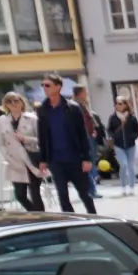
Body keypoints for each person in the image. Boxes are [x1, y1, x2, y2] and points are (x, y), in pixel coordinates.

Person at [35, 73, 96, 214]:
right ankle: (69, 224)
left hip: (75, 159)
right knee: (63, 195)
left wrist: (86, 158)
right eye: (43, 85)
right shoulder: (43, 110)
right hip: (55, 161)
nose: (44, 88)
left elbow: (82, 134)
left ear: (58, 87)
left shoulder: (73, 108)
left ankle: (95, 219)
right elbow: (42, 136)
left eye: (48, 85)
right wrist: (43, 159)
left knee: (85, 194)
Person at [0, 91, 45, 212]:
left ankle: (42, 219)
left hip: (31, 159)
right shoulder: (2, 120)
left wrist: (25, 138)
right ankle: (35, 214)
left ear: (21, 103)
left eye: (16, 101)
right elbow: (0, 142)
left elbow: (43, 140)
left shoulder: (32, 118)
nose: (13, 104)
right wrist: (7, 157)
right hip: (14, 161)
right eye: (9, 101)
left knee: (35, 193)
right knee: (20, 195)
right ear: (6, 105)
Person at [106, 96, 138, 197]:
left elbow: (137, 130)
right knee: (124, 165)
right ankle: (123, 186)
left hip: (130, 145)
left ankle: (131, 187)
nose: (117, 105)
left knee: (130, 166)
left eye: (120, 103)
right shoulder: (113, 117)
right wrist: (113, 136)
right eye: (116, 104)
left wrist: (134, 136)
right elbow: (109, 130)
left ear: (126, 105)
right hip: (119, 145)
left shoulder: (131, 117)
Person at [73, 85, 103, 199]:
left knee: (91, 163)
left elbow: (89, 120)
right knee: (87, 164)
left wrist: (93, 131)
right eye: (85, 92)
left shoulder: (83, 105)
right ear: (79, 93)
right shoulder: (75, 106)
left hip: (90, 137)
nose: (87, 94)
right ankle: (90, 190)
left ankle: (90, 189)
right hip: (83, 139)